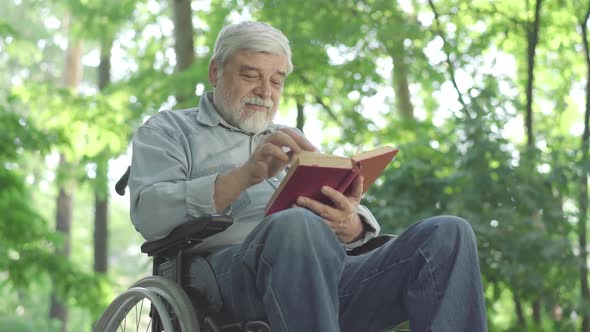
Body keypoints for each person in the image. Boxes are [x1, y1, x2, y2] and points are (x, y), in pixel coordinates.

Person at [128, 21, 487, 332]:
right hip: (224, 281)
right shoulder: (169, 130)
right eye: (250, 75)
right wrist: (245, 176)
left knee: (447, 234)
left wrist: (350, 224)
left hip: (327, 273)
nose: (265, 92)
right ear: (215, 72)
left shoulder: (292, 137)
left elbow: (349, 229)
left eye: (276, 80)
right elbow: (149, 214)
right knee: (297, 224)